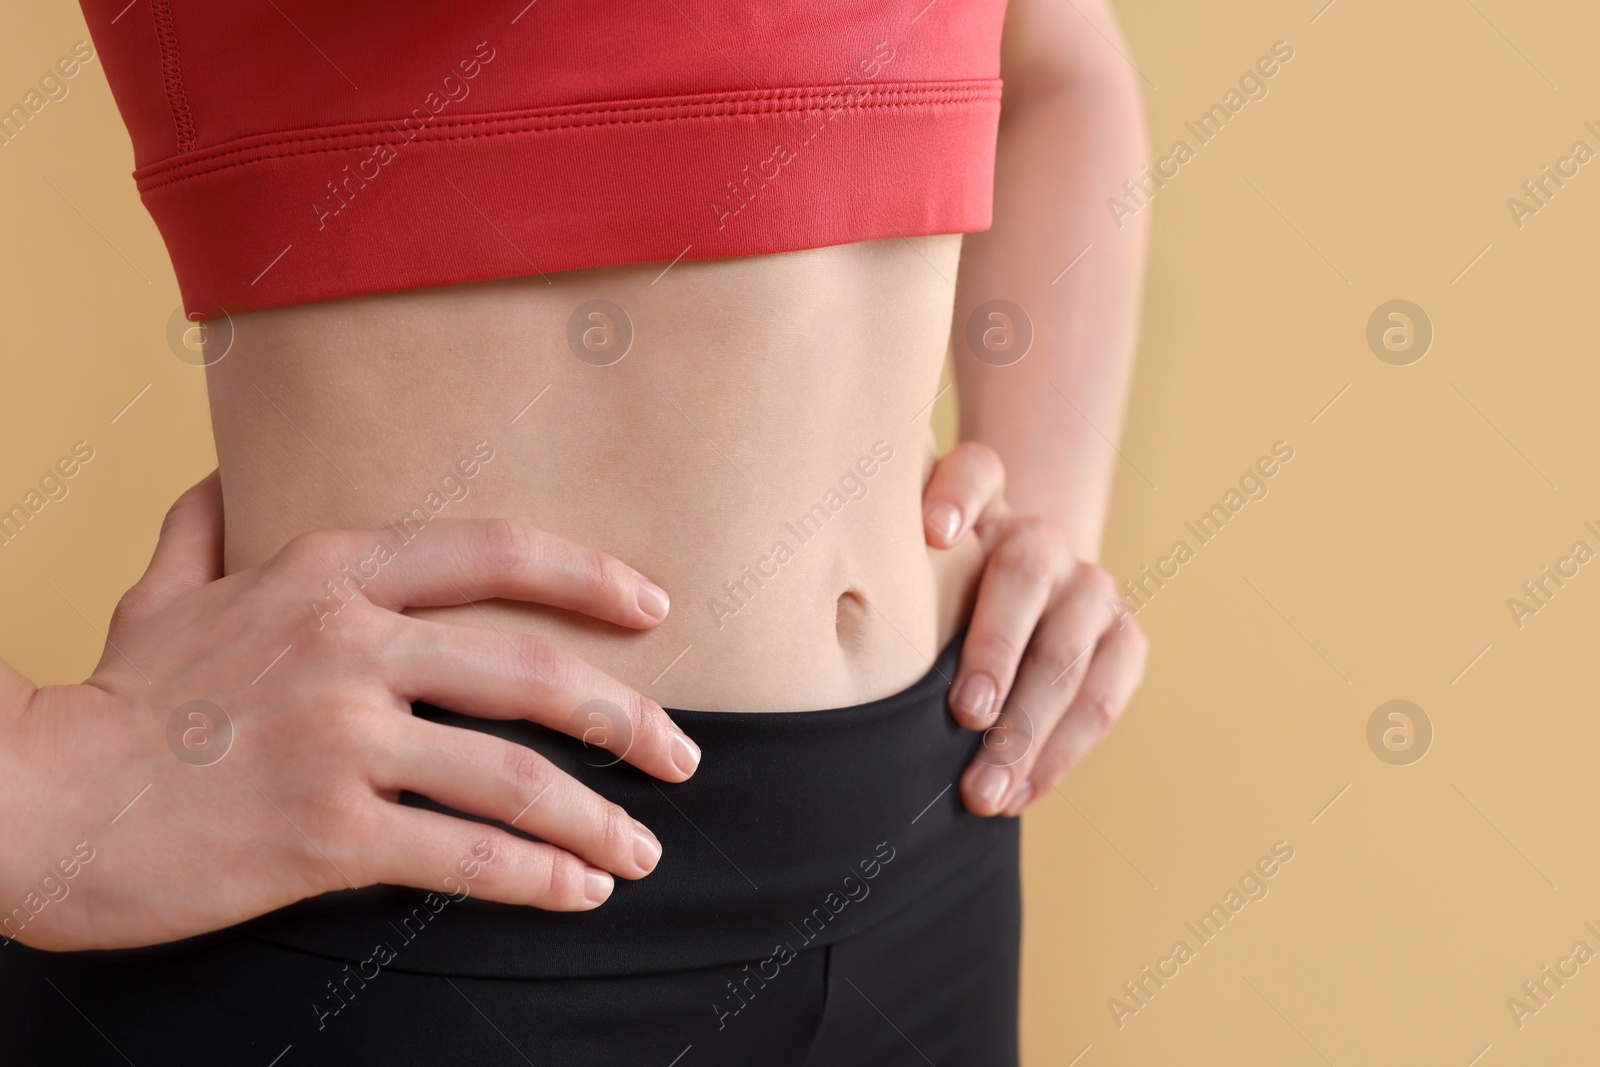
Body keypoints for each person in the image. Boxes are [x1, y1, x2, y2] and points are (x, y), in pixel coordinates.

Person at [0, 0, 1147, 1062]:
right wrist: (38, 788)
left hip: (930, 844)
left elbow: (1052, 65)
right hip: (424, 900)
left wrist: (1044, 521)